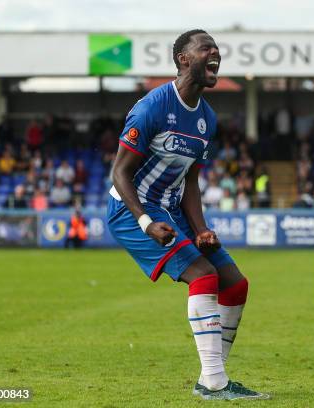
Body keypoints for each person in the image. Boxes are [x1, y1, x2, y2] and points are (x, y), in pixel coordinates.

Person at [106, 30, 268, 401]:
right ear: (183, 58)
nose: (215, 53)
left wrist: (201, 229)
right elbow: (119, 172)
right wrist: (146, 223)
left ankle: (212, 377)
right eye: (206, 48)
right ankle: (214, 382)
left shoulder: (206, 119)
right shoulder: (152, 107)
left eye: (217, 49)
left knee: (235, 285)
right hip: (132, 210)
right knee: (204, 276)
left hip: (173, 208)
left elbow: (191, 180)